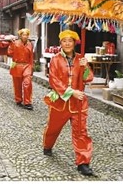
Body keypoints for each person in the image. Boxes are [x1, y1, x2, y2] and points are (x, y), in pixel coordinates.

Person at [42, 29, 95, 176]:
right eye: (64, 41)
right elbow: (54, 80)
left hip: (79, 104)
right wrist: (71, 91)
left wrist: (86, 66)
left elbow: (88, 78)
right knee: (53, 128)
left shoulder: (81, 59)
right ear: (60, 43)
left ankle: (83, 163)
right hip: (61, 102)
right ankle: (47, 145)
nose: (67, 43)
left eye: (70, 41)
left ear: (74, 43)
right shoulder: (55, 59)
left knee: (81, 132)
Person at [7, 28, 34, 110]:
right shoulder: (15, 43)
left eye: (26, 35)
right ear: (20, 35)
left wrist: (32, 68)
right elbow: (9, 53)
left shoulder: (30, 44)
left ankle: (27, 102)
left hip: (27, 65)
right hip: (17, 65)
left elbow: (31, 57)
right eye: (23, 34)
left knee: (27, 83)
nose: (25, 36)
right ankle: (18, 99)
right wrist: (11, 44)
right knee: (17, 84)